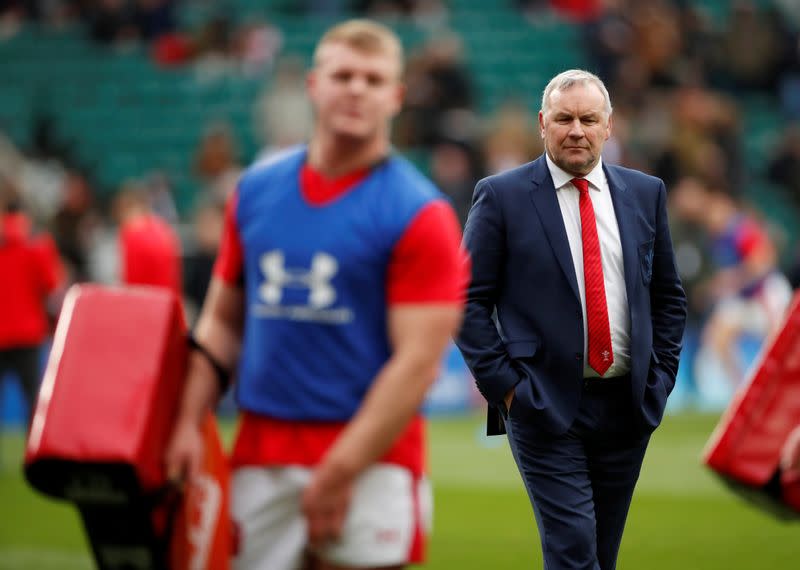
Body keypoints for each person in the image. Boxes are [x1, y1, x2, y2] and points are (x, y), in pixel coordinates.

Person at [165, 19, 468, 570]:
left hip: (373, 458)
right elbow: (222, 323)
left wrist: (341, 469)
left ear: (396, 97)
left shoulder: (422, 213)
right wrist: (188, 422)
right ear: (313, 85)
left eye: (373, 80)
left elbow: (418, 364)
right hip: (262, 448)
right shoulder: (255, 191)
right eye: (343, 74)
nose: (356, 89)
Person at [455, 69, 687, 570]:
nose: (576, 130)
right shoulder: (502, 196)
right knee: (574, 551)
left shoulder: (646, 194)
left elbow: (668, 296)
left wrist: (660, 379)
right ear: (543, 124)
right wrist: (508, 388)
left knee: (601, 554)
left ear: (609, 126)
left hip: (628, 407)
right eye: (564, 118)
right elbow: (465, 301)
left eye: (588, 119)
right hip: (543, 405)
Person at [669, 176, 793, 387]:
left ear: (727, 207)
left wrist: (732, 279)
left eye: (718, 209)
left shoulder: (740, 230)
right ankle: (741, 387)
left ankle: (783, 387)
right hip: (744, 298)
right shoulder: (713, 238)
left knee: (779, 347)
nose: (713, 214)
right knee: (717, 334)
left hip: (766, 294)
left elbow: (764, 262)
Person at [0, 182, 64, 425]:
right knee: (32, 402)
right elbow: (50, 286)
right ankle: (34, 456)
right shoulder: (36, 244)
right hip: (28, 333)